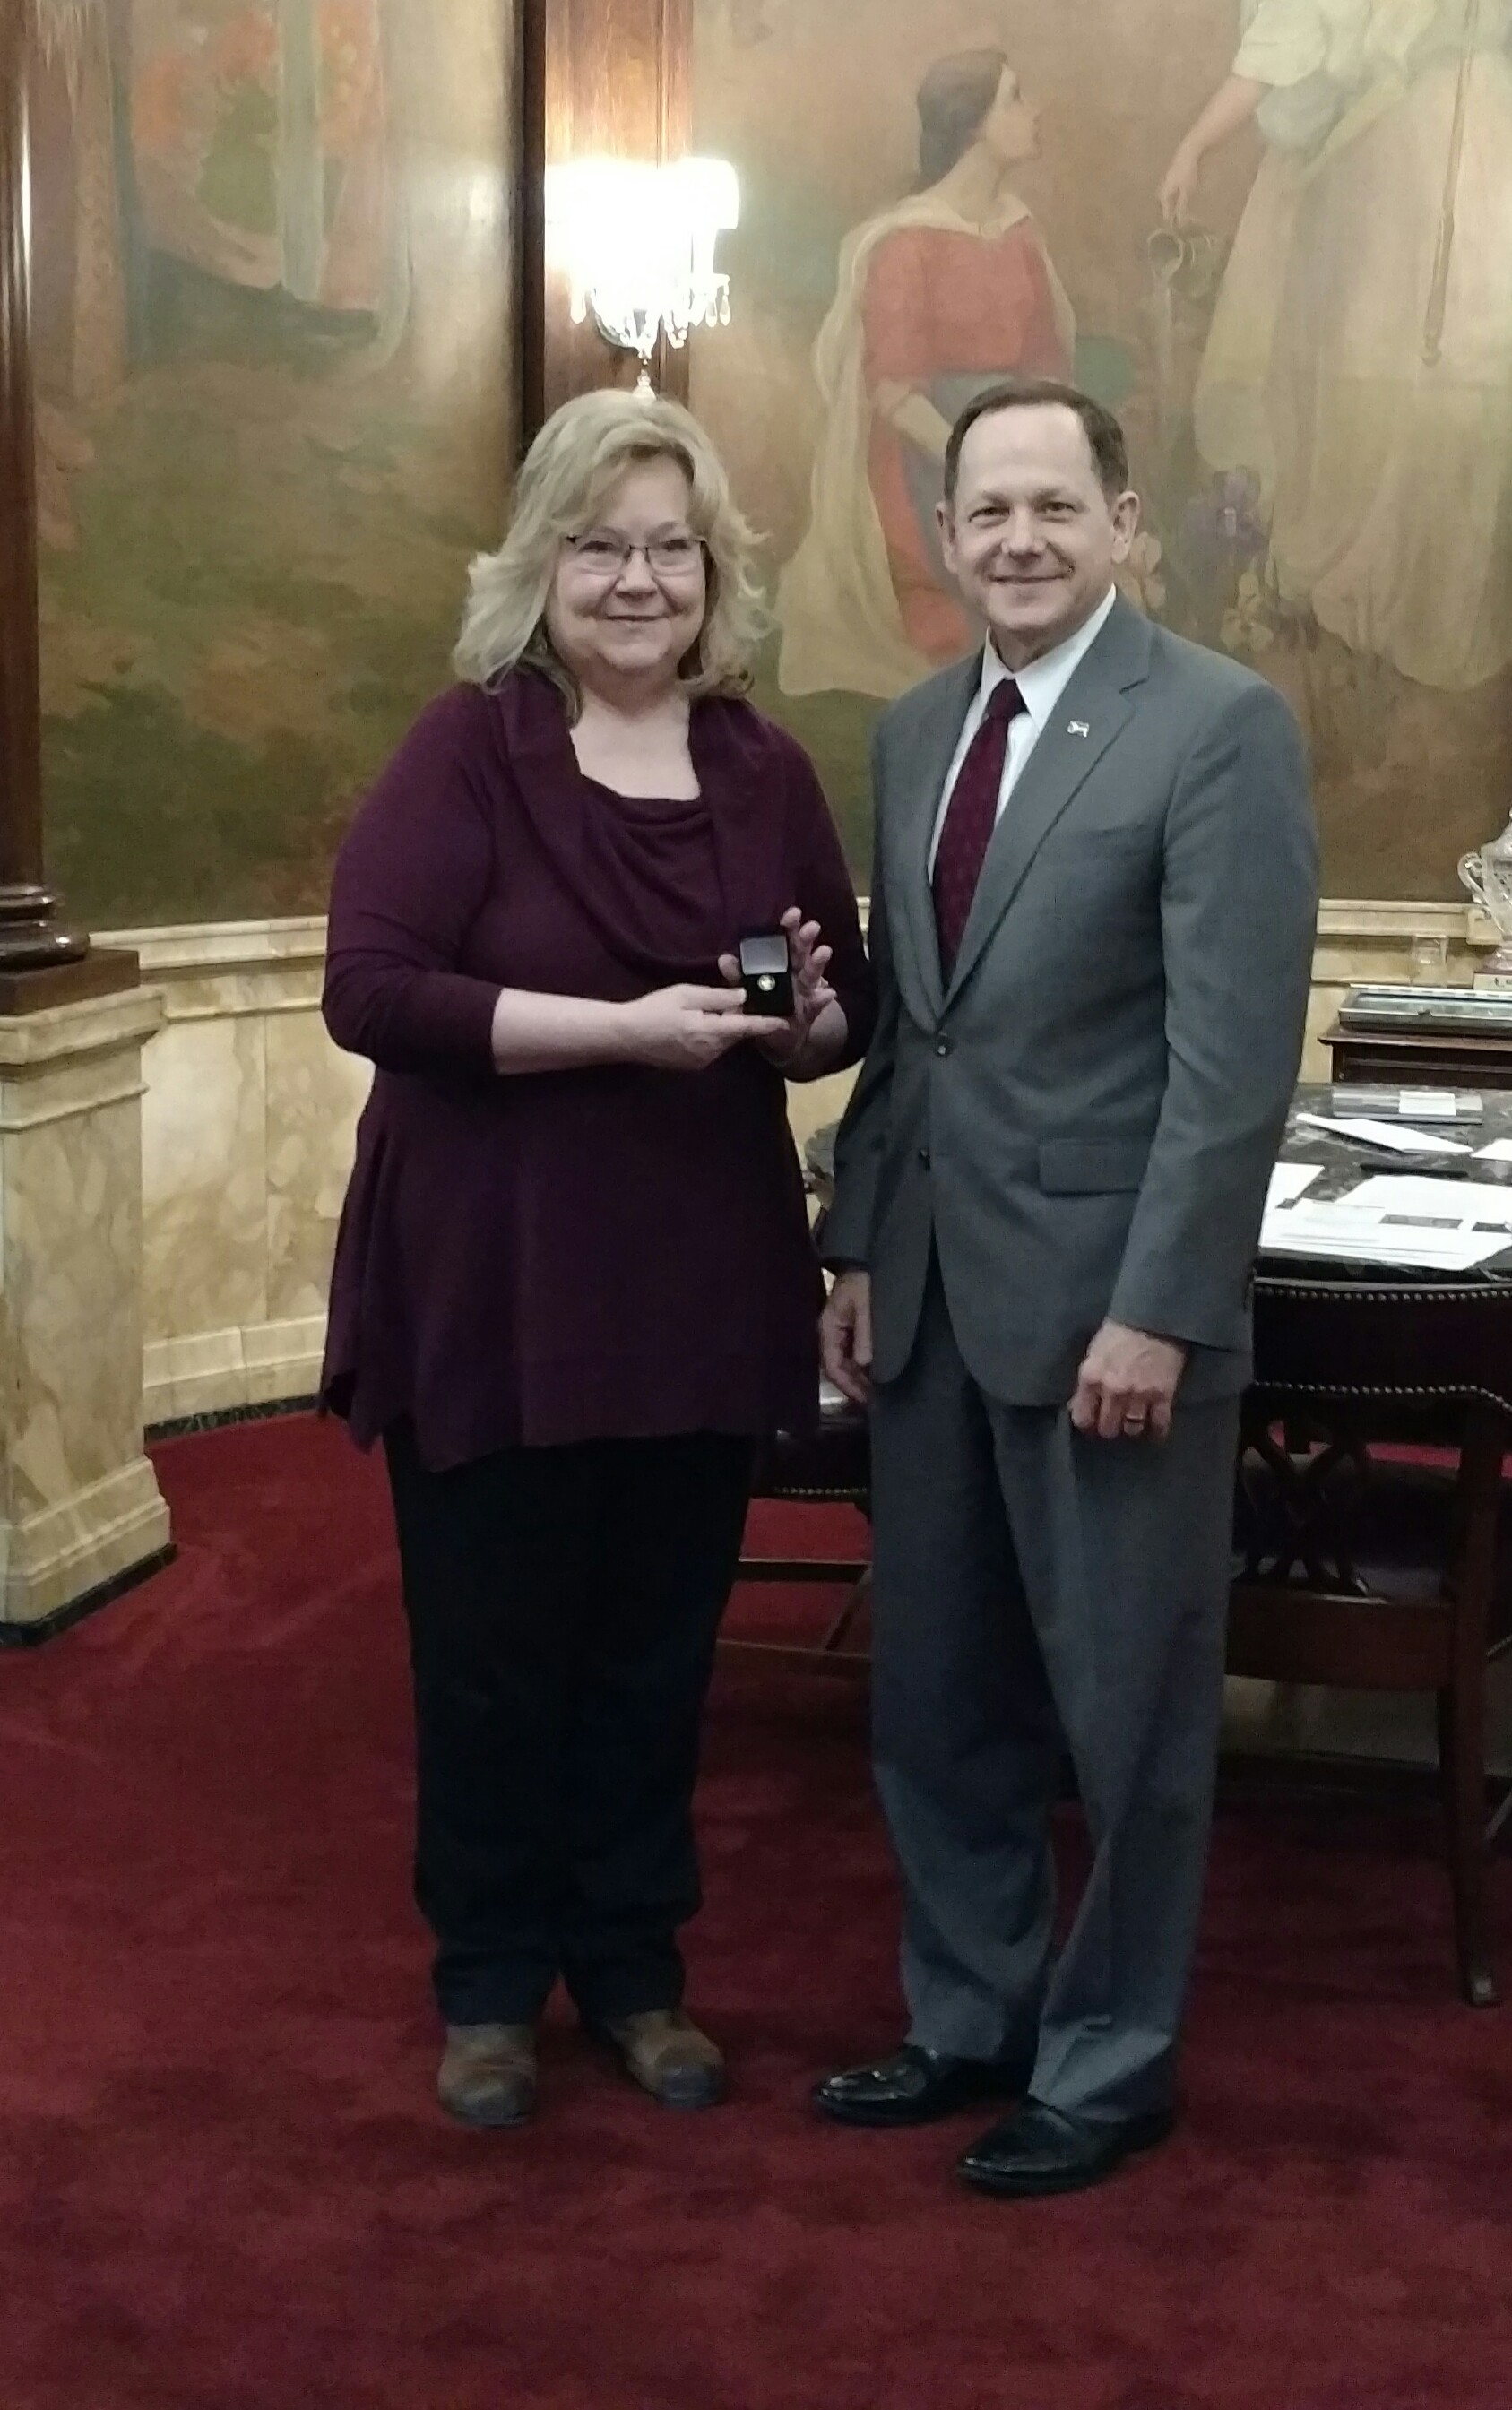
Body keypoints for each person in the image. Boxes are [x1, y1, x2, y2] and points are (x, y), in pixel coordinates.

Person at [320, 388, 873, 2130]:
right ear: (539, 566)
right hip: (495, 1275)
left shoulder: (762, 768)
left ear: (715, 577)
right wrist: (616, 1032)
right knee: (494, 1647)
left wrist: (804, 1027)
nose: (637, 581)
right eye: (600, 545)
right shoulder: (469, 746)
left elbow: (826, 999)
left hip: (696, 1278)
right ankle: (489, 1985)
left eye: (670, 548)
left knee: (654, 1646)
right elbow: (375, 990)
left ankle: (635, 1971)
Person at [814, 377, 1318, 2198]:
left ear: (1125, 526)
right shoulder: (907, 730)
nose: (1016, 539)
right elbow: (910, 1038)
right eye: (985, 511)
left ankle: (1109, 2061)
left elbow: (1231, 1060)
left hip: (1113, 1318)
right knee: (935, 1694)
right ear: (944, 537)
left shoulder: (1218, 725)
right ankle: (970, 2018)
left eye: (1053, 506)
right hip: (935, 1296)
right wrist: (859, 1244)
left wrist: (1164, 1307)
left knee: (1126, 1706)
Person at [1159, 0, 1512, 692]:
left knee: (1468, 376)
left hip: (1469, 137)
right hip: (1400, 149)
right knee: (1378, 373)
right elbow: (1290, 38)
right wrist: (1197, 142)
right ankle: (1380, 601)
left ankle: (1439, 604)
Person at [776, 48, 1075, 700]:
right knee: (960, 628)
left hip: (1014, 439)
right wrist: (979, 464)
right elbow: (894, 396)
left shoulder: (1020, 232)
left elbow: (1047, 367)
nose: (1034, 112)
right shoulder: (904, 242)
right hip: (927, 456)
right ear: (972, 125)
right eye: (1015, 98)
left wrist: (1041, 459)